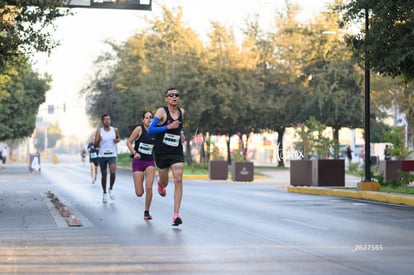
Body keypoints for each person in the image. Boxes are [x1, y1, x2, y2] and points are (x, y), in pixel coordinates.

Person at [148, 88, 186, 226]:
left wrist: (181, 133)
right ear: (166, 99)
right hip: (161, 152)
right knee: (164, 181)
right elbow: (150, 130)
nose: (174, 97)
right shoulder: (161, 112)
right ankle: (160, 184)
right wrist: (168, 127)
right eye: (171, 95)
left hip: (176, 151)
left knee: (178, 179)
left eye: (177, 95)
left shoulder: (182, 112)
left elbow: (179, 127)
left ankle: (176, 215)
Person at [127, 111, 156, 220]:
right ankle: (140, 179)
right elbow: (129, 142)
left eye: (151, 117)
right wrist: (135, 153)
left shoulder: (155, 131)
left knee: (149, 187)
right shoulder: (139, 129)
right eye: (146, 117)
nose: (149, 119)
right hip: (138, 162)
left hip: (149, 162)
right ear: (143, 120)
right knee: (139, 193)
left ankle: (146, 212)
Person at [94, 114, 121, 203]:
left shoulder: (115, 130)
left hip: (112, 155)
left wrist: (117, 140)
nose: (107, 121)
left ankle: (111, 189)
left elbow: (118, 138)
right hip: (102, 156)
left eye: (108, 119)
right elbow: (95, 145)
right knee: (104, 175)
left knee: (113, 172)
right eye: (105, 119)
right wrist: (99, 140)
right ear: (102, 121)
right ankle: (104, 193)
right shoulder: (99, 131)